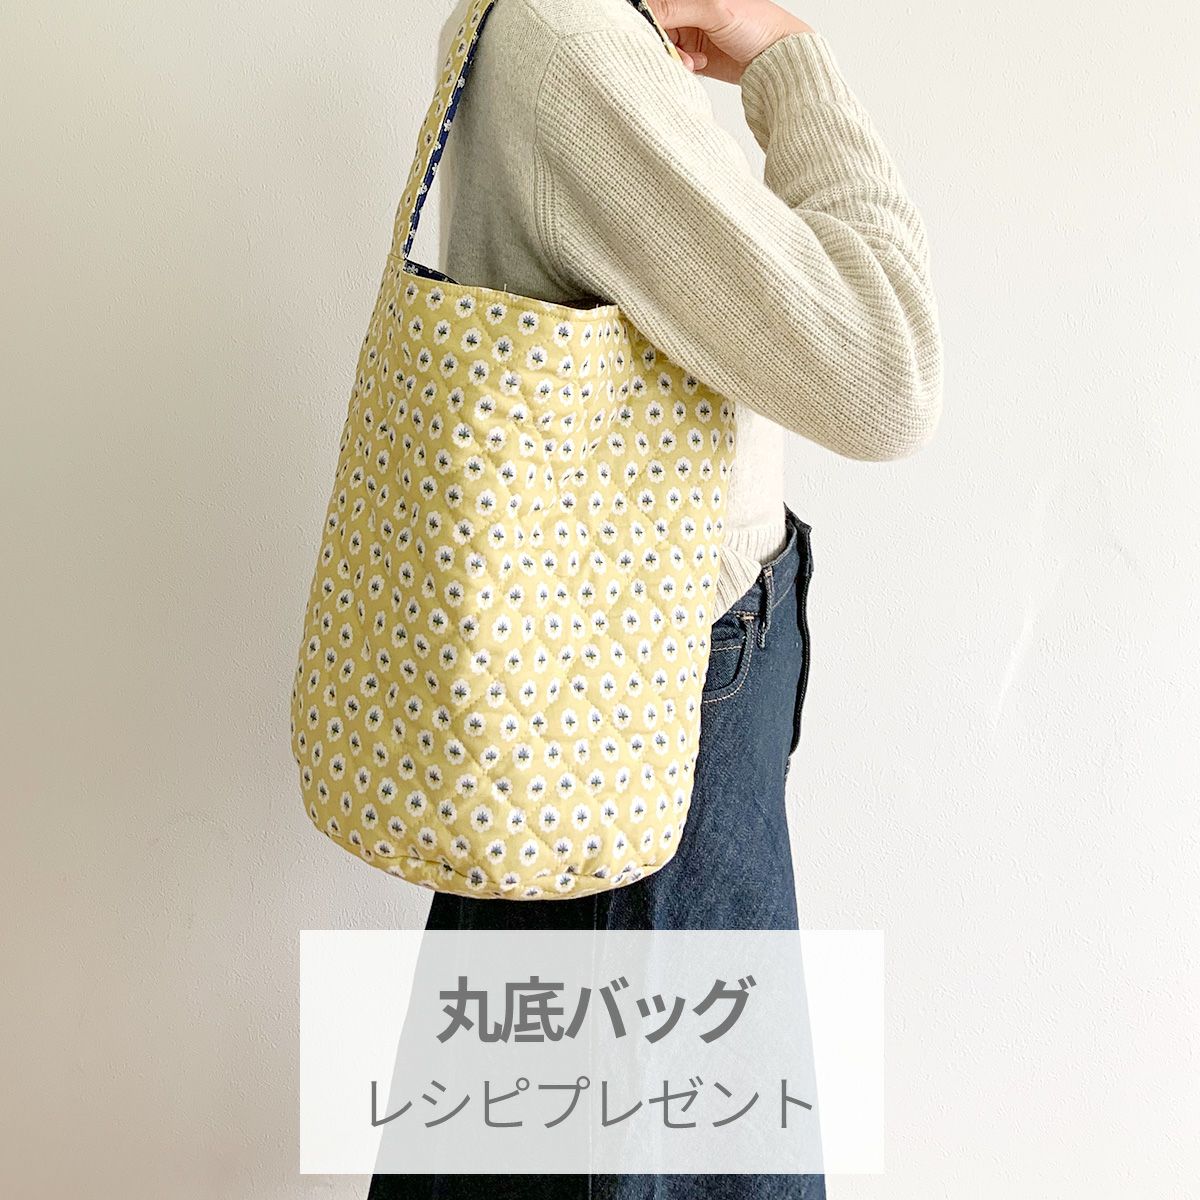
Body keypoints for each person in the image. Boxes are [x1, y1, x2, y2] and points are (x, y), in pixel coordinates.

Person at [369, 0, 943, 1195]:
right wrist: (786, 60)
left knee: (534, 1137)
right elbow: (883, 372)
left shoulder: (556, 28)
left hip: (606, 687)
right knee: (660, 1150)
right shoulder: (575, 44)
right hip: (643, 705)